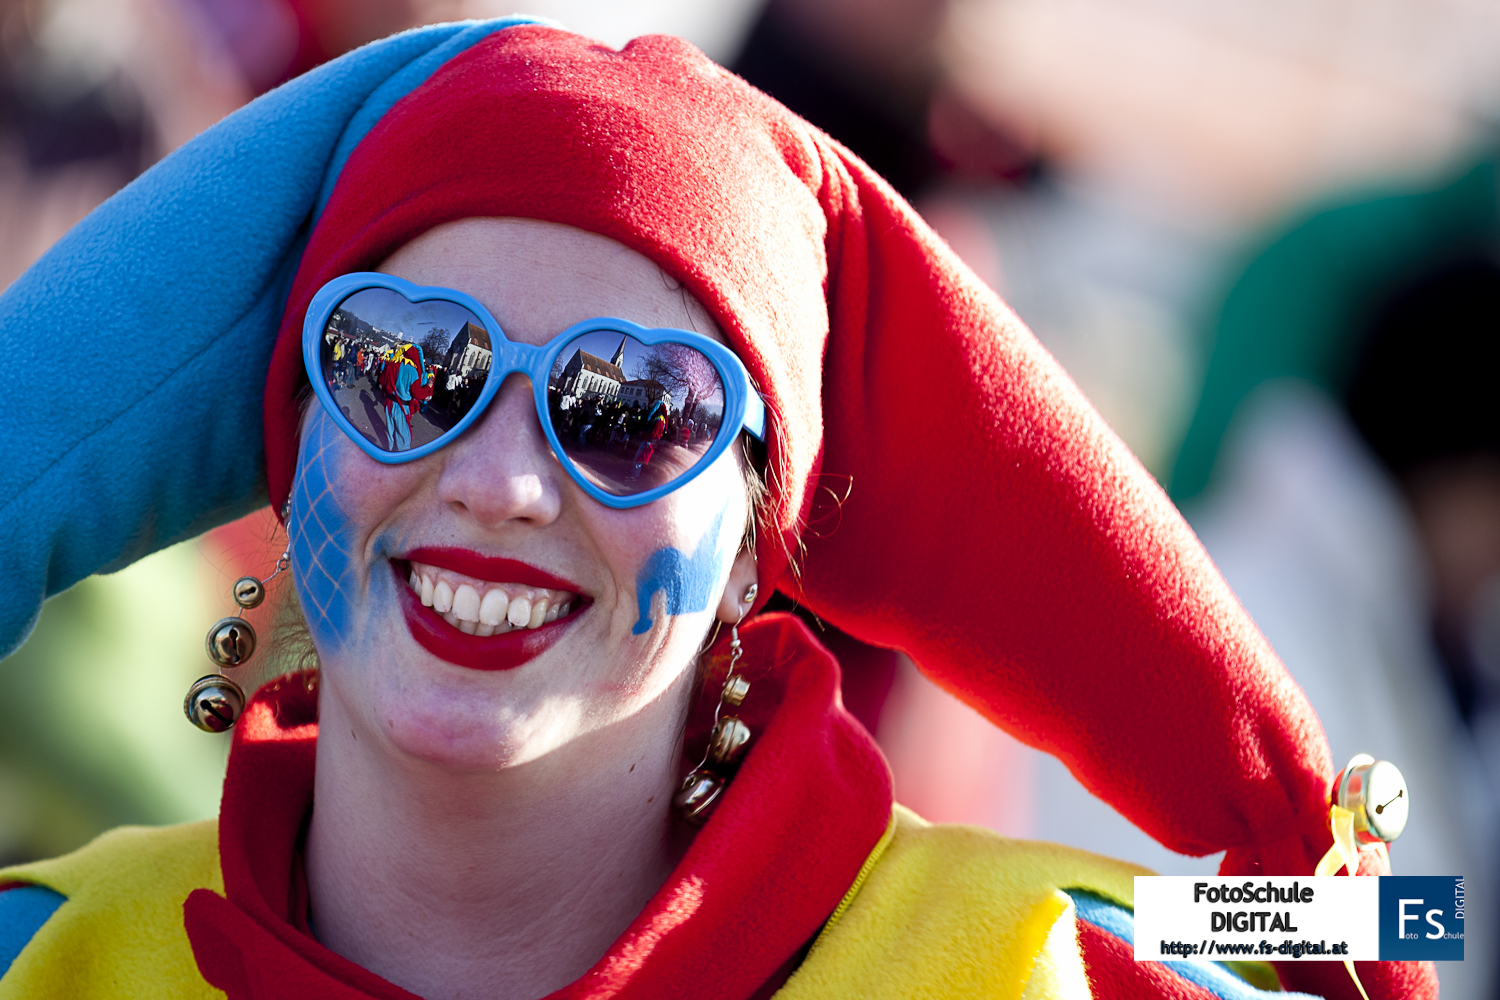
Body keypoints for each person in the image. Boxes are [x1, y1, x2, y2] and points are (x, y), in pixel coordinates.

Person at [0, 19, 1433, 1000]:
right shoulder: (45, 959)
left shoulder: (1057, 974)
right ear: (299, 437)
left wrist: (1323, 890)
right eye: (407, 366)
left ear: (754, 544)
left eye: (632, 410)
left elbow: (1397, 922)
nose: (498, 482)